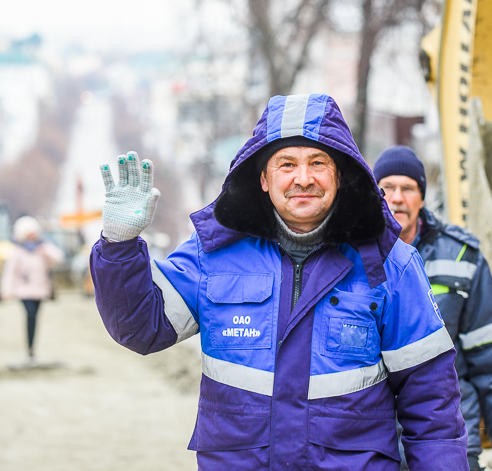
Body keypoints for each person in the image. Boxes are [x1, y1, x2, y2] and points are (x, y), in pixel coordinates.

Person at [91, 93, 468, 471]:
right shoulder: (213, 255)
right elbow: (141, 327)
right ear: (263, 179)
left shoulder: (390, 265)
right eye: (286, 164)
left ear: (340, 175)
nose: (303, 179)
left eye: (318, 163)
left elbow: (432, 407)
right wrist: (119, 246)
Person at [373, 146, 492, 471]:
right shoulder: (351, 256)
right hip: (376, 445)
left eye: (408, 188)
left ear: (423, 196)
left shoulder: (462, 256)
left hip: (452, 440)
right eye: (387, 188)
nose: (397, 198)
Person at [0, 216, 64, 361]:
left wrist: (45, 251)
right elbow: (9, 273)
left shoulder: (43, 247)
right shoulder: (17, 251)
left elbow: (59, 258)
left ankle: (31, 348)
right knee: (30, 315)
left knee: (35, 318)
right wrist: (6, 292)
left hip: (40, 290)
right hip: (24, 291)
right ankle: (30, 348)